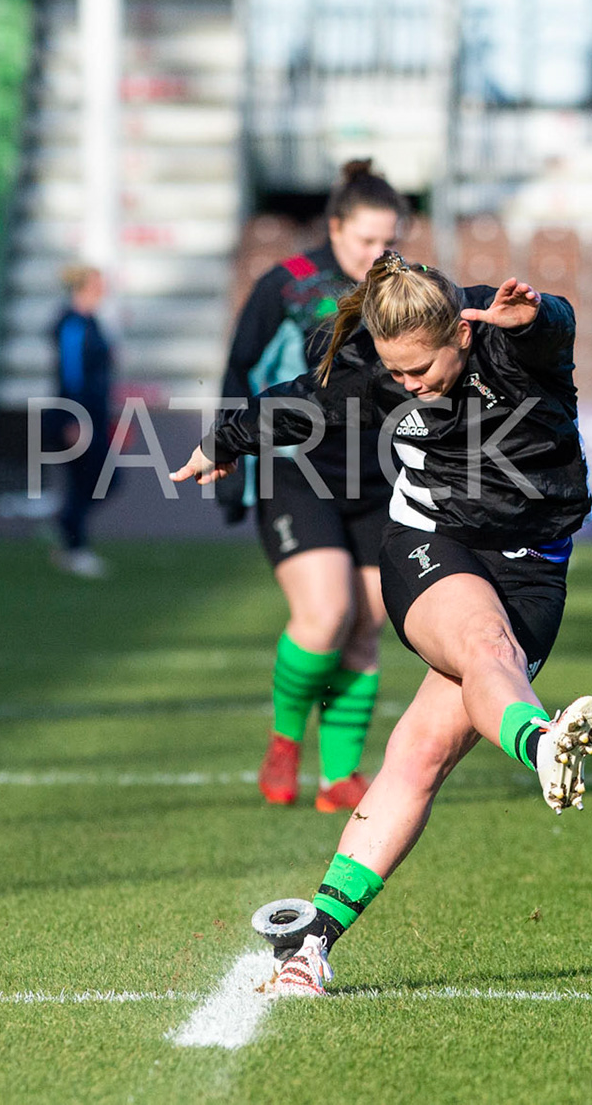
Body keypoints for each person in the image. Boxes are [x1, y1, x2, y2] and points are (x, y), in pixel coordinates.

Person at [171, 251, 592, 996]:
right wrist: (224, 440)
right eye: (395, 374)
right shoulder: (379, 364)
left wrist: (537, 315)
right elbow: (299, 399)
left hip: (535, 566)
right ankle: (540, 743)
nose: (407, 385)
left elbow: (551, 328)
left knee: (420, 753)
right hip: (430, 539)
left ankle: (311, 944)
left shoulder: (508, 336)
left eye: (421, 370)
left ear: (460, 336)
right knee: (481, 645)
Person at [219, 160, 403, 814]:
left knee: (366, 625)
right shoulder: (290, 284)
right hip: (297, 470)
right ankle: (284, 738)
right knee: (324, 614)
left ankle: (339, 777)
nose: (378, 254)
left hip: (379, 479)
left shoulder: (403, 287)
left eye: (389, 241)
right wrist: (230, 456)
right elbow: (240, 368)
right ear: (334, 227)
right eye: (365, 241)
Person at [50, 264, 114, 578]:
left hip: (96, 414)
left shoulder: (92, 322)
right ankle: (73, 544)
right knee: (91, 480)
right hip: (78, 416)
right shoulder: (73, 325)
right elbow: (70, 375)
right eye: (98, 282)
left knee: (98, 480)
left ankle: (69, 537)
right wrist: (72, 418)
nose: (103, 287)